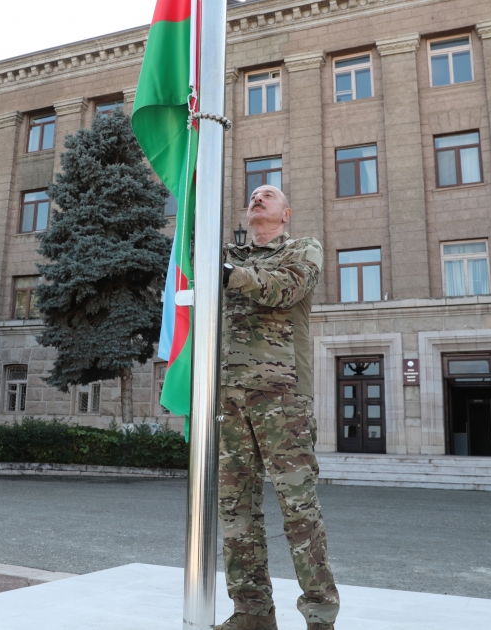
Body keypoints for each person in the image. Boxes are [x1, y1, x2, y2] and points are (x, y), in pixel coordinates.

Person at [217, 185, 340, 630]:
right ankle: (251, 613)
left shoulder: (303, 249)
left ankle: (319, 615)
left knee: (298, 508)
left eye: (268, 195)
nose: (257, 198)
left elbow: (285, 289)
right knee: (236, 511)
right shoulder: (225, 254)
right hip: (228, 396)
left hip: (281, 396)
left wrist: (231, 273)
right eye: (252, 195)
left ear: (285, 213)